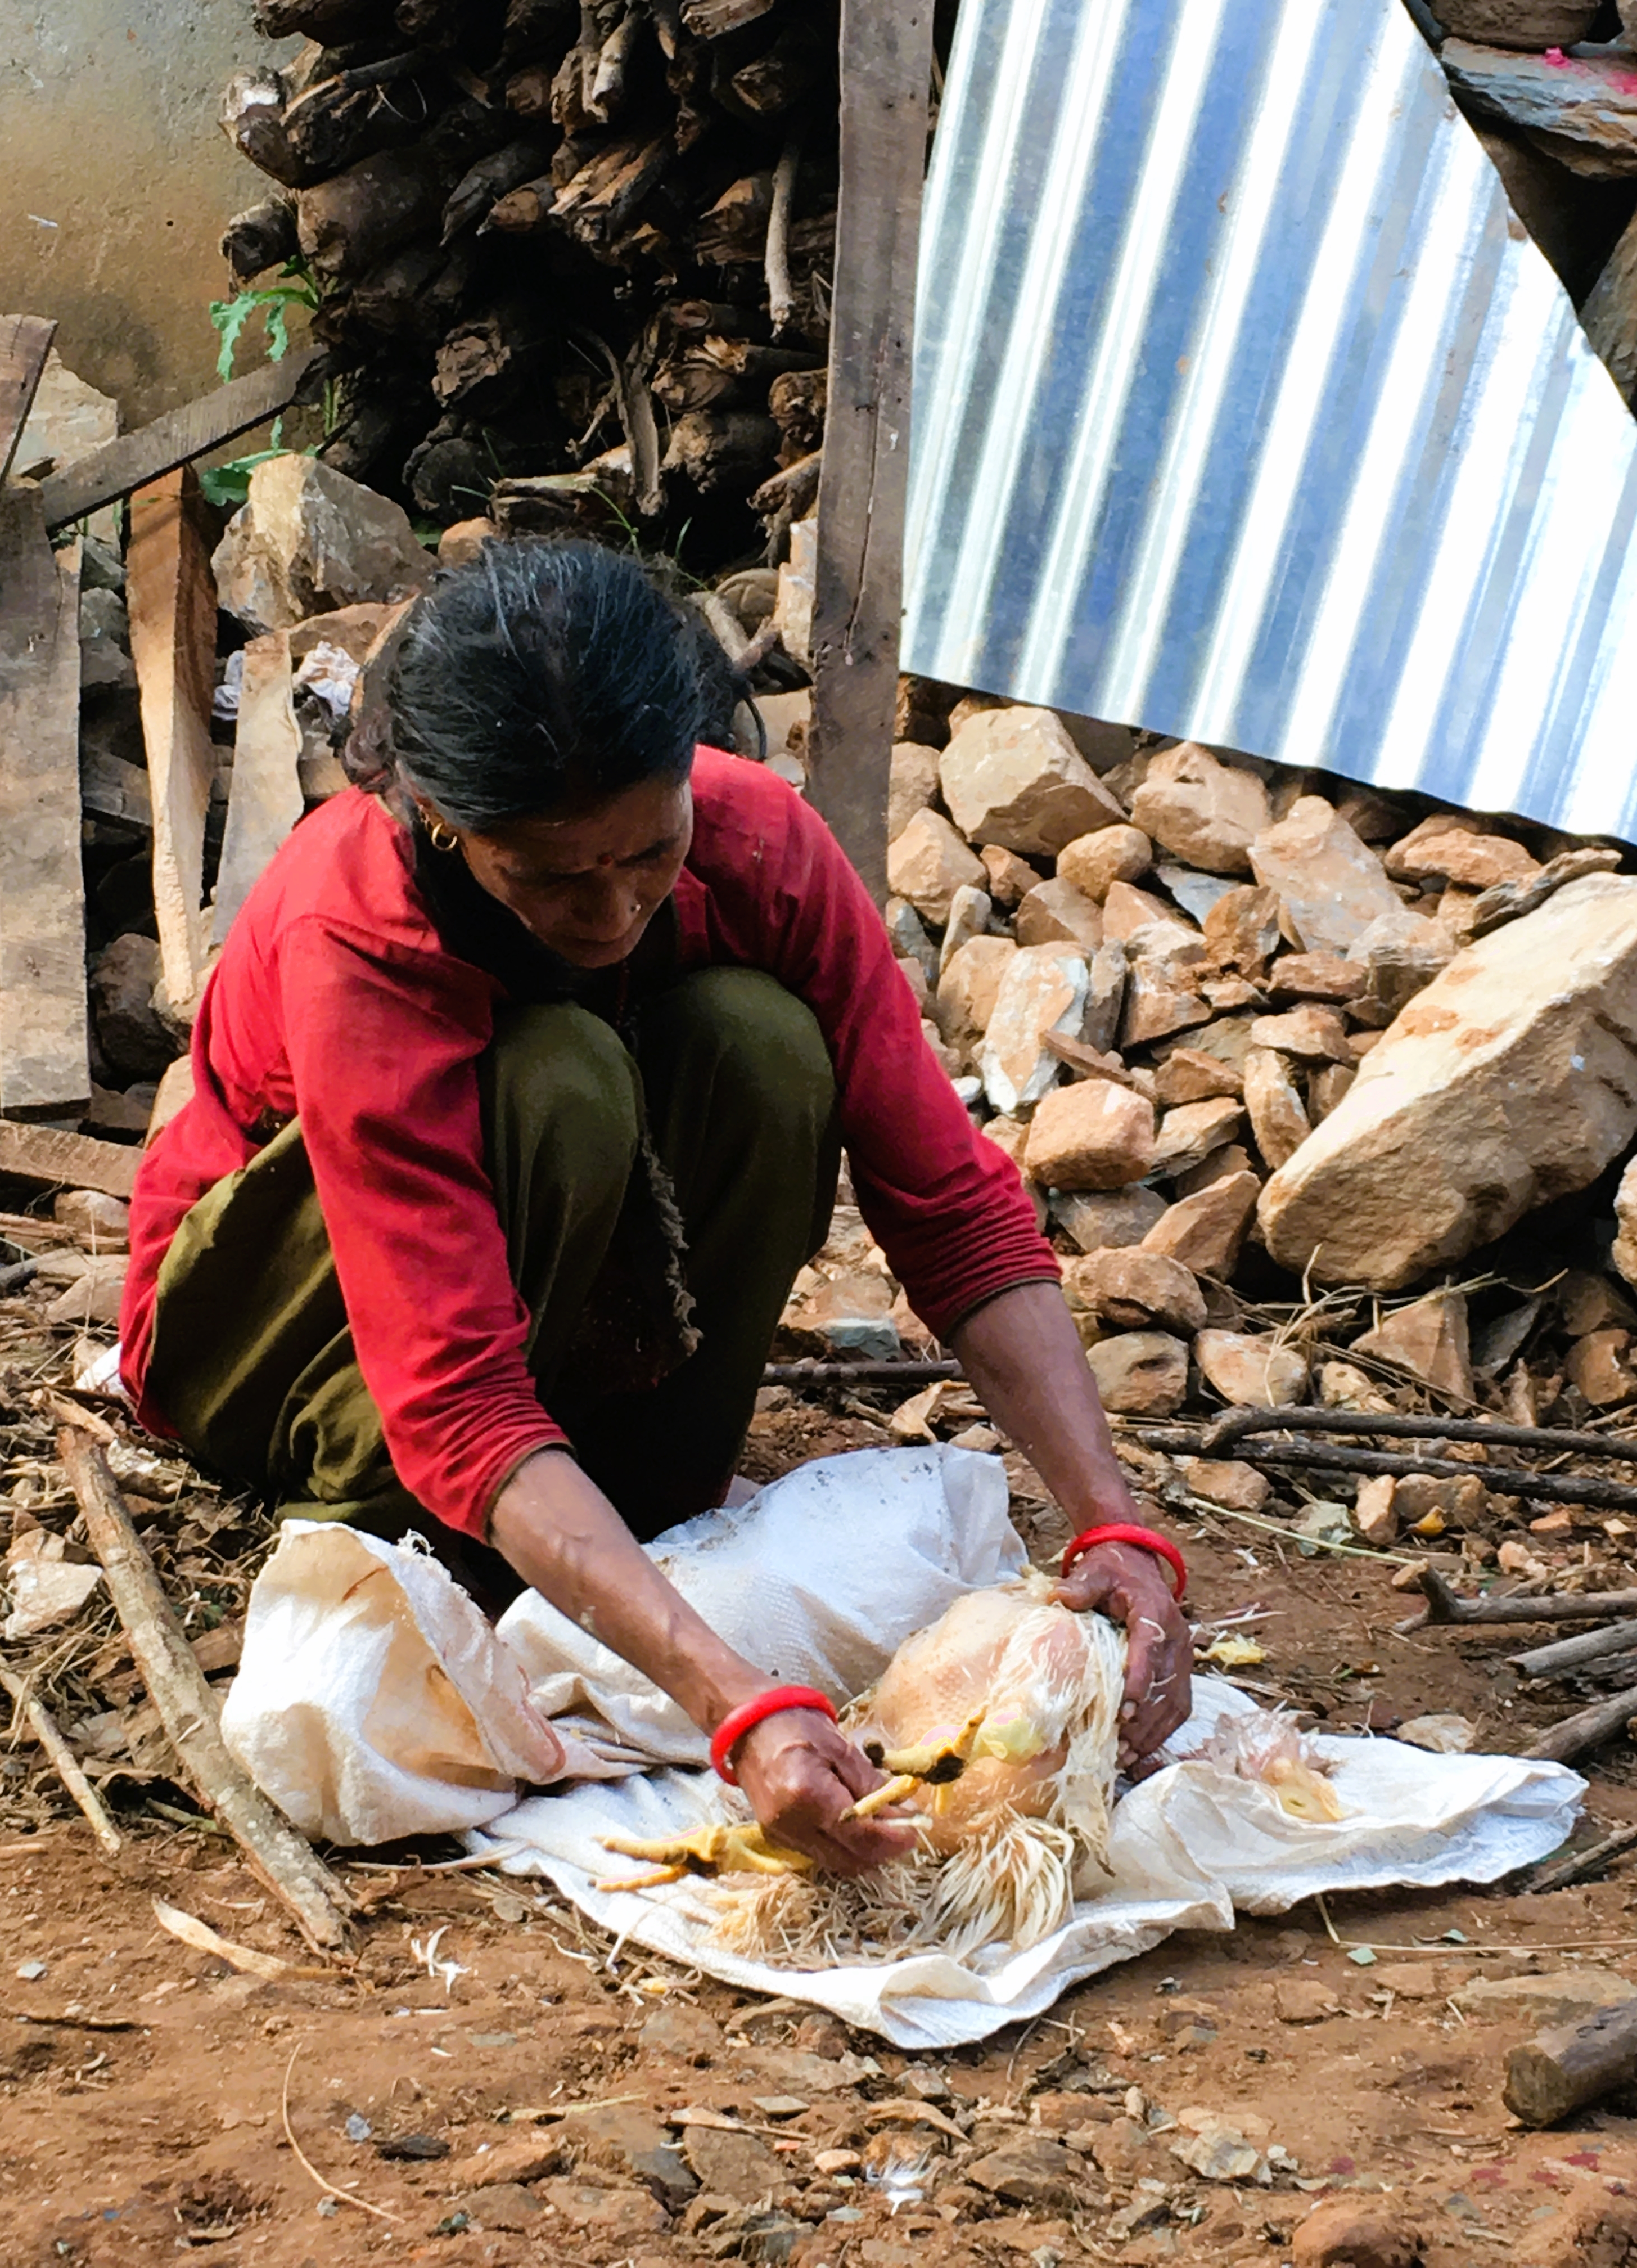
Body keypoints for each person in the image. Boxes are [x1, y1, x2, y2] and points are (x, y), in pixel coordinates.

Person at [120, 537, 1192, 1875]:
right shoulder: (363, 927)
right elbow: (450, 1390)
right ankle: (432, 1529)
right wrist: (732, 1702)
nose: (616, 905)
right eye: (553, 878)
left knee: (760, 1041)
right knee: (560, 1078)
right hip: (280, 1350)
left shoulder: (759, 845)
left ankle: (646, 1487)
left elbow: (949, 1204)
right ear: (446, 825)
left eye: (649, 852)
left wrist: (1114, 1520)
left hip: (530, 1315)